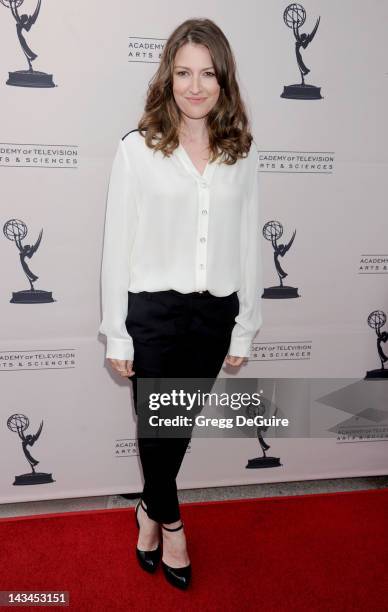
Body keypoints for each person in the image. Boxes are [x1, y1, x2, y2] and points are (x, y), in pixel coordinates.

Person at [98, 17, 263, 591]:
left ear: (224, 80)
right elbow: (116, 248)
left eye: (208, 74)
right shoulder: (136, 150)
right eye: (184, 72)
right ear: (168, 76)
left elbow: (248, 244)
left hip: (214, 315)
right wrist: (117, 333)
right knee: (157, 430)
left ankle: (145, 509)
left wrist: (244, 328)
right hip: (153, 314)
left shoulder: (242, 153)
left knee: (177, 430)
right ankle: (171, 524)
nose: (195, 86)